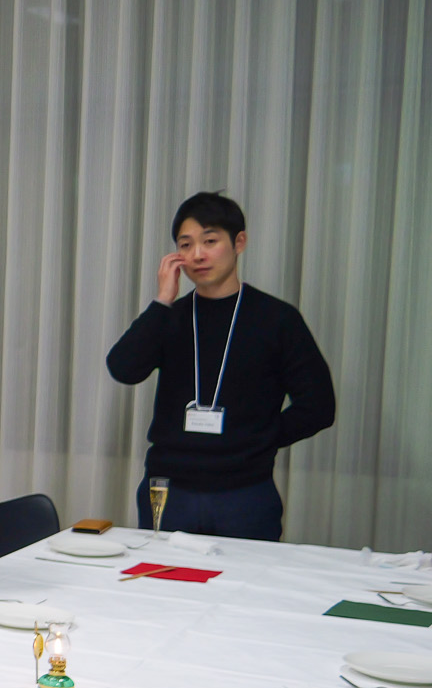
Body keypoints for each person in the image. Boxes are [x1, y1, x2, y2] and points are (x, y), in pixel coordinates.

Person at [105, 191, 335, 541]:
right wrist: (162, 301)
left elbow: (318, 406)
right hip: (168, 488)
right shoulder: (169, 317)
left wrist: (258, 440)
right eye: (186, 245)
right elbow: (123, 369)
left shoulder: (277, 319)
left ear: (238, 242)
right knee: (162, 576)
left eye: (210, 241)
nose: (197, 254)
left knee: (245, 577)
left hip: (245, 491)